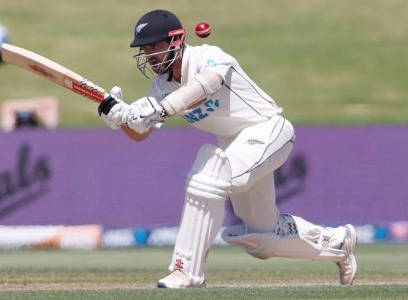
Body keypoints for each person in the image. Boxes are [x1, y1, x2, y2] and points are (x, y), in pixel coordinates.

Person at [98, 9, 358, 288]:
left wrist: (161, 109)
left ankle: (187, 272)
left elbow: (209, 84)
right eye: (144, 49)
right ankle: (337, 242)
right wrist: (119, 118)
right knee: (263, 239)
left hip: (268, 130)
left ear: (176, 41)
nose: (149, 55)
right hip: (235, 147)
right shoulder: (161, 87)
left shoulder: (207, 56)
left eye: (154, 46)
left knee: (208, 178)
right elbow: (141, 134)